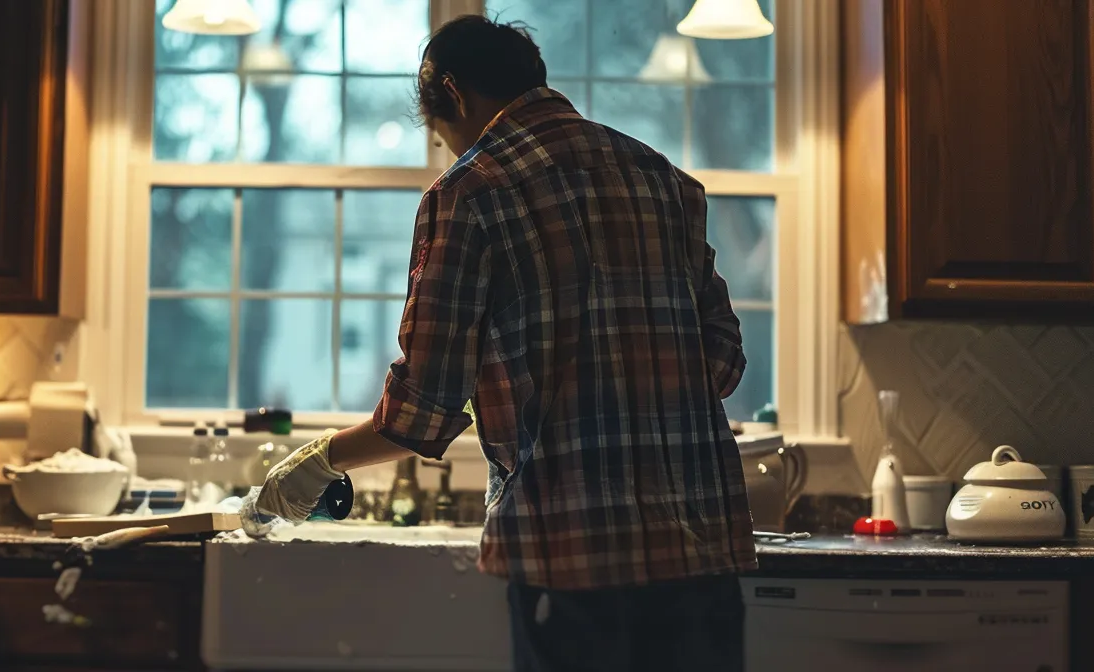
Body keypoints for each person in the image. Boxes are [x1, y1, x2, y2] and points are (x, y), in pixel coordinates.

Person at [254, 14, 754, 672]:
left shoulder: (468, 193)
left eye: (441, 134)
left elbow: (424, 410)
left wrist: (319, 460)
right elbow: (723, 361)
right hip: (701, 558)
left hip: (576, 566)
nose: (448, 150)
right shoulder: (661, 178)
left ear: (453, 95)